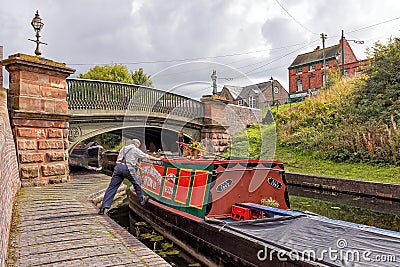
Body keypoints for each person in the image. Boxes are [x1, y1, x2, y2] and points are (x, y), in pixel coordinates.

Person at [98, 138, 163, 215]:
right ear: (137, 145)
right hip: (128, 168)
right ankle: (141, 200)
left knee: (112, 188)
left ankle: (103, 207)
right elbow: (147, 157)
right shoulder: (135, 149)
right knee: (137, 183)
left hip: (118, 167)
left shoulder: (123, 148)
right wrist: (158, 158)